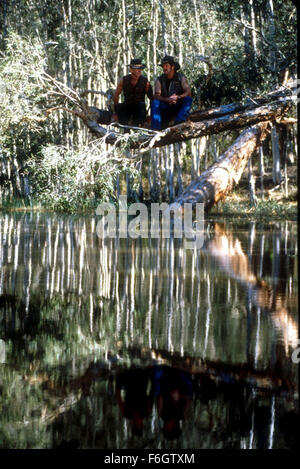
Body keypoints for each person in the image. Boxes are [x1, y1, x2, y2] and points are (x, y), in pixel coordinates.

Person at [151, 55, 192, 130]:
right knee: (155, 102)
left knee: (188, 99)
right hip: (166, 107)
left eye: (166, 66)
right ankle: (155, 129)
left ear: (172, 67)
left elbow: (188, 91)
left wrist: (178, 97)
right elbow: (156, 95)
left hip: (177, 106)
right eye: (163, 66)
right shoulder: (159, 79)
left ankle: (179, 123)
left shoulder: (180, 77)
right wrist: (168, 99)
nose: (164, 68)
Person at [112, 58, 153, 128]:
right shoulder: (124, 80)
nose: (139, 70)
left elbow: (152, 98)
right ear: (131, 70)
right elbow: (116, 95)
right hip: (127, 106)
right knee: (122, 110)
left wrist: (152, 115)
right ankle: (125, 128)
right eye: (137, 68)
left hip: (139, 108)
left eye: (140, 68)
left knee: (141, 106)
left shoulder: (145, 82)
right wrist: (116, 111)